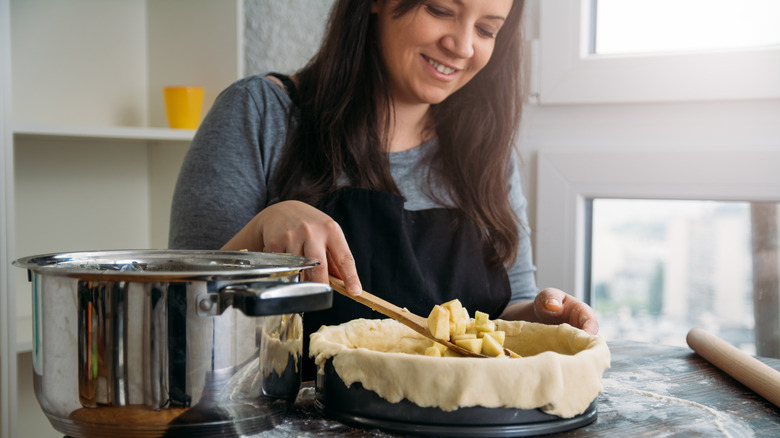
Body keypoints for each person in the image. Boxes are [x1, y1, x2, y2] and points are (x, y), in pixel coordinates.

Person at [169, 0, 598, 378]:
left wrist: (543, 314)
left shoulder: (486, 153)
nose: (464, 46)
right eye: (440, 10)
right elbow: (181, 321)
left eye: (486, 29)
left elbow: (507, 312)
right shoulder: (259, 113)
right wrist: (263, 228)